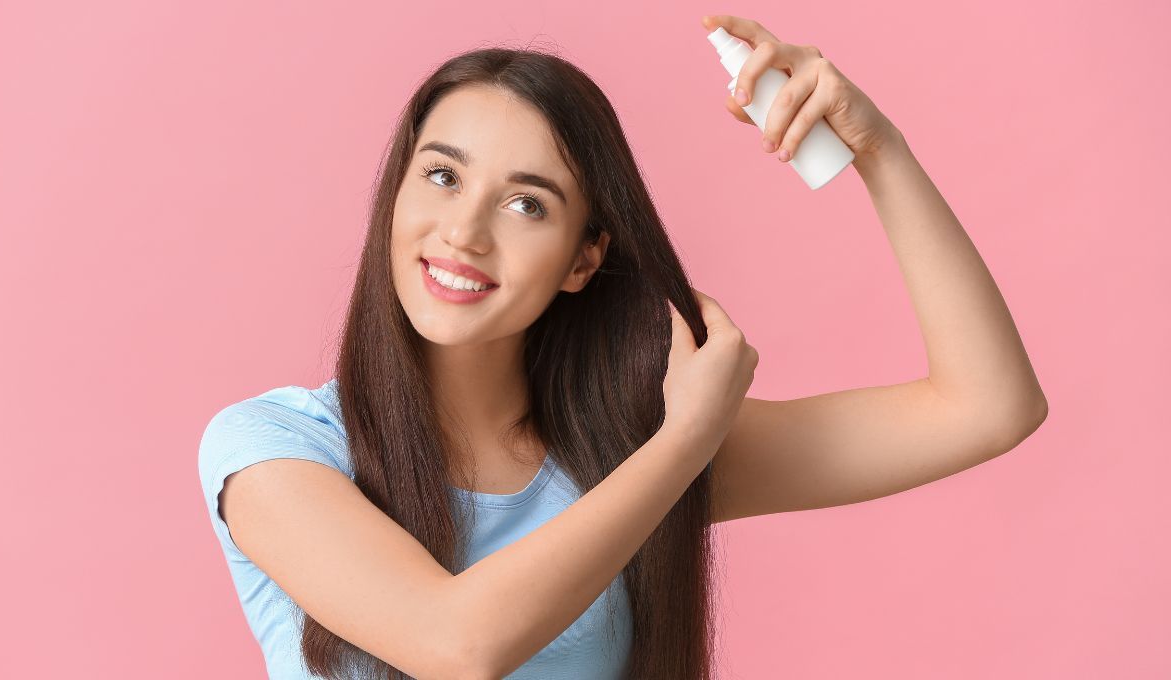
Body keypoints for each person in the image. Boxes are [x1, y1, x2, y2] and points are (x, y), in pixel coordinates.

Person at [197, 14, 1047, 680]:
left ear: (583, 260)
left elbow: (987, 408)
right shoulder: (276, 451)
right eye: (443, 176)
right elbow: (457, 646)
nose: (463, 231)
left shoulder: (623, 451)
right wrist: (684, 442)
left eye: (526, 204)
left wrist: (879, 153)